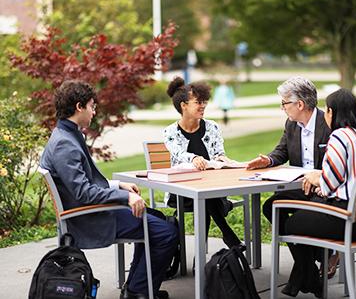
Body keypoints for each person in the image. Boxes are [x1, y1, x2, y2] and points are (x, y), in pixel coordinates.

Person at [40, 80, 178, 299]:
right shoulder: (64, 143)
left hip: (94, 210)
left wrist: (117, 185)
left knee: (160, 220)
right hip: (89, 218)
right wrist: (126, 197)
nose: (94, 112)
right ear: (79, 107)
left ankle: (137, 288)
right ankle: (138, 291)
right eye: (92, 106)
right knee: (166, 232)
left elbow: (82, 183)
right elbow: (84, 193)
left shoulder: (67, 134)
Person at [280, 88, 356, 297]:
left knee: (289, 223)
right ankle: (308, 277)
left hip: (348, 221)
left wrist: (315, 177)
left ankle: (310, 279)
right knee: (301, 218)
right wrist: (322, 175)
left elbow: (328, 185)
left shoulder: (339, 136)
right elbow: (344, 174)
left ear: (330, 112)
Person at [163, 76, 244, 250]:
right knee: (206, 200)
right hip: (183, 193)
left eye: (204, 101)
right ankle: (228, 234)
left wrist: (223, 159)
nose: (203, 106)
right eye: (198, 102)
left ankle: (200, 258)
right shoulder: (170, 132)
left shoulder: (213, 127)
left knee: (206, 199)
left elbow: (218, 153)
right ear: (184, 105)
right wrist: (194, 158)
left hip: (212, 187)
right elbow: (179, 153)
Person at [246, 76, 331, 226]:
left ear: (299, 104)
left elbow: (337, 163)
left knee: (301, 220)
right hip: (298, 186)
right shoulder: (291, 124)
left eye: (284, 103)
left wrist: (318, 178)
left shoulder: (328, 123)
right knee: (270, 207)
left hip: (322, 188)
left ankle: (308, 246)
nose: (282, 108)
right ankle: (301, 246)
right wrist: (268, 160)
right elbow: (282, 151)